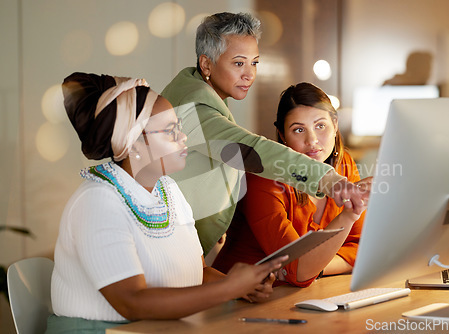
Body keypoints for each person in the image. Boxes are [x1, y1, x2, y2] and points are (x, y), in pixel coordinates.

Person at [47, 72, 286, 333]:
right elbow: (132, 302)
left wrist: (241, 287)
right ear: (134, 143)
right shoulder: (96, 202)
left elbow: (197, 273)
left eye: (180, 127)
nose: (184, 137)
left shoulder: (168, 190)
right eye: (171, 131)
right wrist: (228, 288)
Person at [161, 12, 370, 256]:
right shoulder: (193, 108)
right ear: (206, 64)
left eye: (254, 62)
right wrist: (329, 180)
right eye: (239, 63)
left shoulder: (200, 93)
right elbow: (251, 149)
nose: (249, 74)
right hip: (167, 246)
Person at [212, 83, 369, 287]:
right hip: (239, 299)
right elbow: (298, 271)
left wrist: (317, 267)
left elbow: (363, 249)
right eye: (298, 130)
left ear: (335, 124)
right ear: (283, 135)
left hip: (304, 294)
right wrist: (349, 215)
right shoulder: (264, 177)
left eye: (320, 126)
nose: (312, 140)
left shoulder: (342, 164)